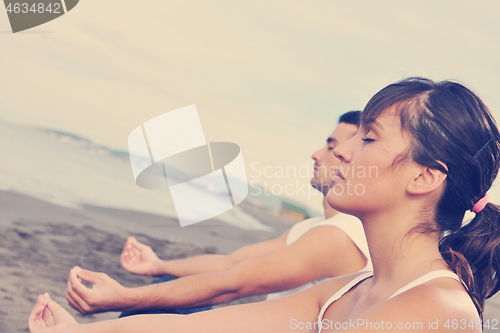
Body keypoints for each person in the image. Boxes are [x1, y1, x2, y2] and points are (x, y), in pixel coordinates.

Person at [29, 77, 500, 333]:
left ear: (424, 176)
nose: (342, 151)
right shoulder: (351, 288)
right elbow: (208, 325)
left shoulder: (437, 314)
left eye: (369, 137)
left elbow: (233, 284)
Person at [63, 111, 371, 316]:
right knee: (172, 284)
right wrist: (158, 264)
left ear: (351, 158)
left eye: (331, 146)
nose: (316, 154)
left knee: (162, 308)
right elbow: (230, 263)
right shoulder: (316, 227)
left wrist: (123, 297)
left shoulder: (339, 237)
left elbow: (233, 283)